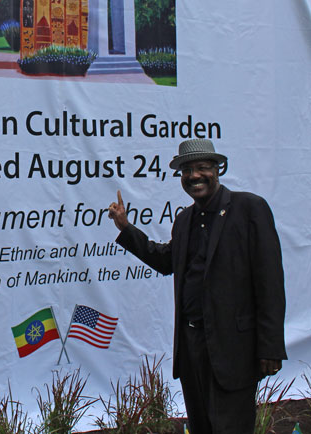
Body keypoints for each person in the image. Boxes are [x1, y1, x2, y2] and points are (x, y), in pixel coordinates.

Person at [108, 139, 287, 434]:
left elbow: (269, 282)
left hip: (235, 349)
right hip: (192, 349)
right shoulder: (184, 219)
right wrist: (126, 229)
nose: (194, 176)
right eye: (187, 170)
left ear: (218, 170)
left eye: (203, 167)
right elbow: (167, 261)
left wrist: (270, 347)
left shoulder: (249, 209)